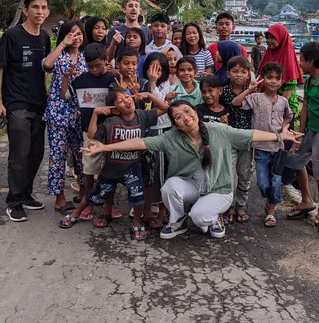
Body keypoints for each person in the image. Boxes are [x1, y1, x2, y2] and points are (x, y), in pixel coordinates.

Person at [82, 101, 302, 239]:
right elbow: (140, 142)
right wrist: (105, 147)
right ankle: (177, 221)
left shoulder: (218, 130)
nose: (185, 118)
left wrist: (281, 136)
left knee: (199, 218)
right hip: (194, 187)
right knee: (169, 187)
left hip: (219, 189)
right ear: (176, 125)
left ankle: (214, 216)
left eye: (187, 112)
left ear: (195, 112)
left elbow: (250, 135)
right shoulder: (171, 138)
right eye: (178, 117)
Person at [59, 90, 169, 239]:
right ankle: (75, 213)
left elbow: (165, 108)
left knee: (138, 194)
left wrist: (149, 95)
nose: (127, 100)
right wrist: (95, 114)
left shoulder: (142, 115)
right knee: (94, 193)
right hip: (111, 168)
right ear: (115, 109)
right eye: (121, 101)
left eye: (127, 97)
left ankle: (136, 221)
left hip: (132, 168)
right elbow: (92, 135)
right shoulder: (110, 122)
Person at [0, 0, 52, 223]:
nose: (40, 12)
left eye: (44, 8)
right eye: (35, 7)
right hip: (16, 103)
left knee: (36, 153)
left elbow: (44, 70)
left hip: (39, 103)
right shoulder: (12, 36)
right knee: (19, 154)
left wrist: (47, 94)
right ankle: (14, 202)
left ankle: (26, 194)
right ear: (25, 10)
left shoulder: (45, 38)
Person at [233, 62, 293, 228]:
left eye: (277, 78)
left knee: (276, 181)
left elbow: (289, 116)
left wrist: (284, 127)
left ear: (281, 82)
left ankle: (271, 212)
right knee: (262, 183)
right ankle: (270, 199)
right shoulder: (256, 98)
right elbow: (236, 102)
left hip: (278, 148)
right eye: (269, 77)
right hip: (260, 148)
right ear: (263, 80)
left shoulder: (283, 101)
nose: (273, 81)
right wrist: (251, 89)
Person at [286, 42, 319, 228]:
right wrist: (299, 134)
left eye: (302, 60)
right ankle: (307, 199)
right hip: (310, 129)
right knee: (296, 161)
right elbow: (305, 107)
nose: (300, 63)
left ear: (312, 61)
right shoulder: (309, 82)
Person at [42, 20, 86, 213]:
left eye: (79, 34)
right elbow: (46, 64)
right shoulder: (60, 56)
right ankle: (60, 198)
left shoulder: (85, 57)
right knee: (58, 155)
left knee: (81, 154)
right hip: (59, 113)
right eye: (71, 33)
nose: (76, 37)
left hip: (80, 113)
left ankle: (84, 193)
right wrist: (62, 44)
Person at [69, 43, 116, 223]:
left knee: (110, 169)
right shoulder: (80, 81)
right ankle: (87, 202)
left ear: (106, 61)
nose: (95, 70)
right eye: (91, 66)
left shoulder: (112, 79)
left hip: (112, 131)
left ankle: (109, 205)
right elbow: (66, 95)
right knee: (89, 169)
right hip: (89, 132)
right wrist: (66, 78)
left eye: (99, 65)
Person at [219, 55, 255, 224]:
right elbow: (232, 104)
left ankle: (241, 205)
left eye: (243, 72)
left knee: (244, 173)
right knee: (229, 175)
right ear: (228, 74)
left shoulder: (254, 93)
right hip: (229, 138)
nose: (239, 75)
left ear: (248, 74)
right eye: (235, 71)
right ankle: (229, 206)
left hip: (247, 138)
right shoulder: (224, 91)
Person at [139, 52, 172, 228]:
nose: (155, 72)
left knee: (163, 172)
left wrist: (153, 83)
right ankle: (146, 208)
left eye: (159, 69)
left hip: (163, 130)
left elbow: (160, 104)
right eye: (152, 68)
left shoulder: (168, 85)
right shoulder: (141, 83)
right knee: (149, 173)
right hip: (147, 131)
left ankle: (162, 210)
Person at [258, 24, 303, 123]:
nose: (268, 41)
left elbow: (288, 91)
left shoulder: (288, 56)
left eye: (272, 38)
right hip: (267, 105)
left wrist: (276, 109)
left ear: (281, 38)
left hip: (285, 109)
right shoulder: (268, 54)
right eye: (267, 38)